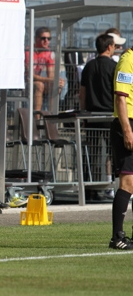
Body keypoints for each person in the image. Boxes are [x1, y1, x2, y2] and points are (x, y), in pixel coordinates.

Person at [80, 34, 117, 198]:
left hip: (92, 115)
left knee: (92, 154)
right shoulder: (114, 66)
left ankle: (91, 189)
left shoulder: (89, 66)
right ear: (109, 47)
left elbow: (82, 93)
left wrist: (83, 111)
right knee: (113, 152)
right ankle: (114, 185)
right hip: (110, 116)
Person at [109, 44, 133, 249]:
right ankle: (117, 237)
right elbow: (121, 98)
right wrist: (127, 130)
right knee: (128, 182)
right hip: (128, 123)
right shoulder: (127, 60)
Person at [25, 27, 66, 112]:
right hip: (25, 83)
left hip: (36, 83)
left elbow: (50, 74)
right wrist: (52, 79)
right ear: (36, 39)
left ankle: (52, 117)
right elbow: (30, 76)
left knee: (56, 86)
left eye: (49, 38)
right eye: (43, 38)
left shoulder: (48, 52)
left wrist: (57, 81)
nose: (46, 41)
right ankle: (37, 119)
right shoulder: (28, 52)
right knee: (39, 85)